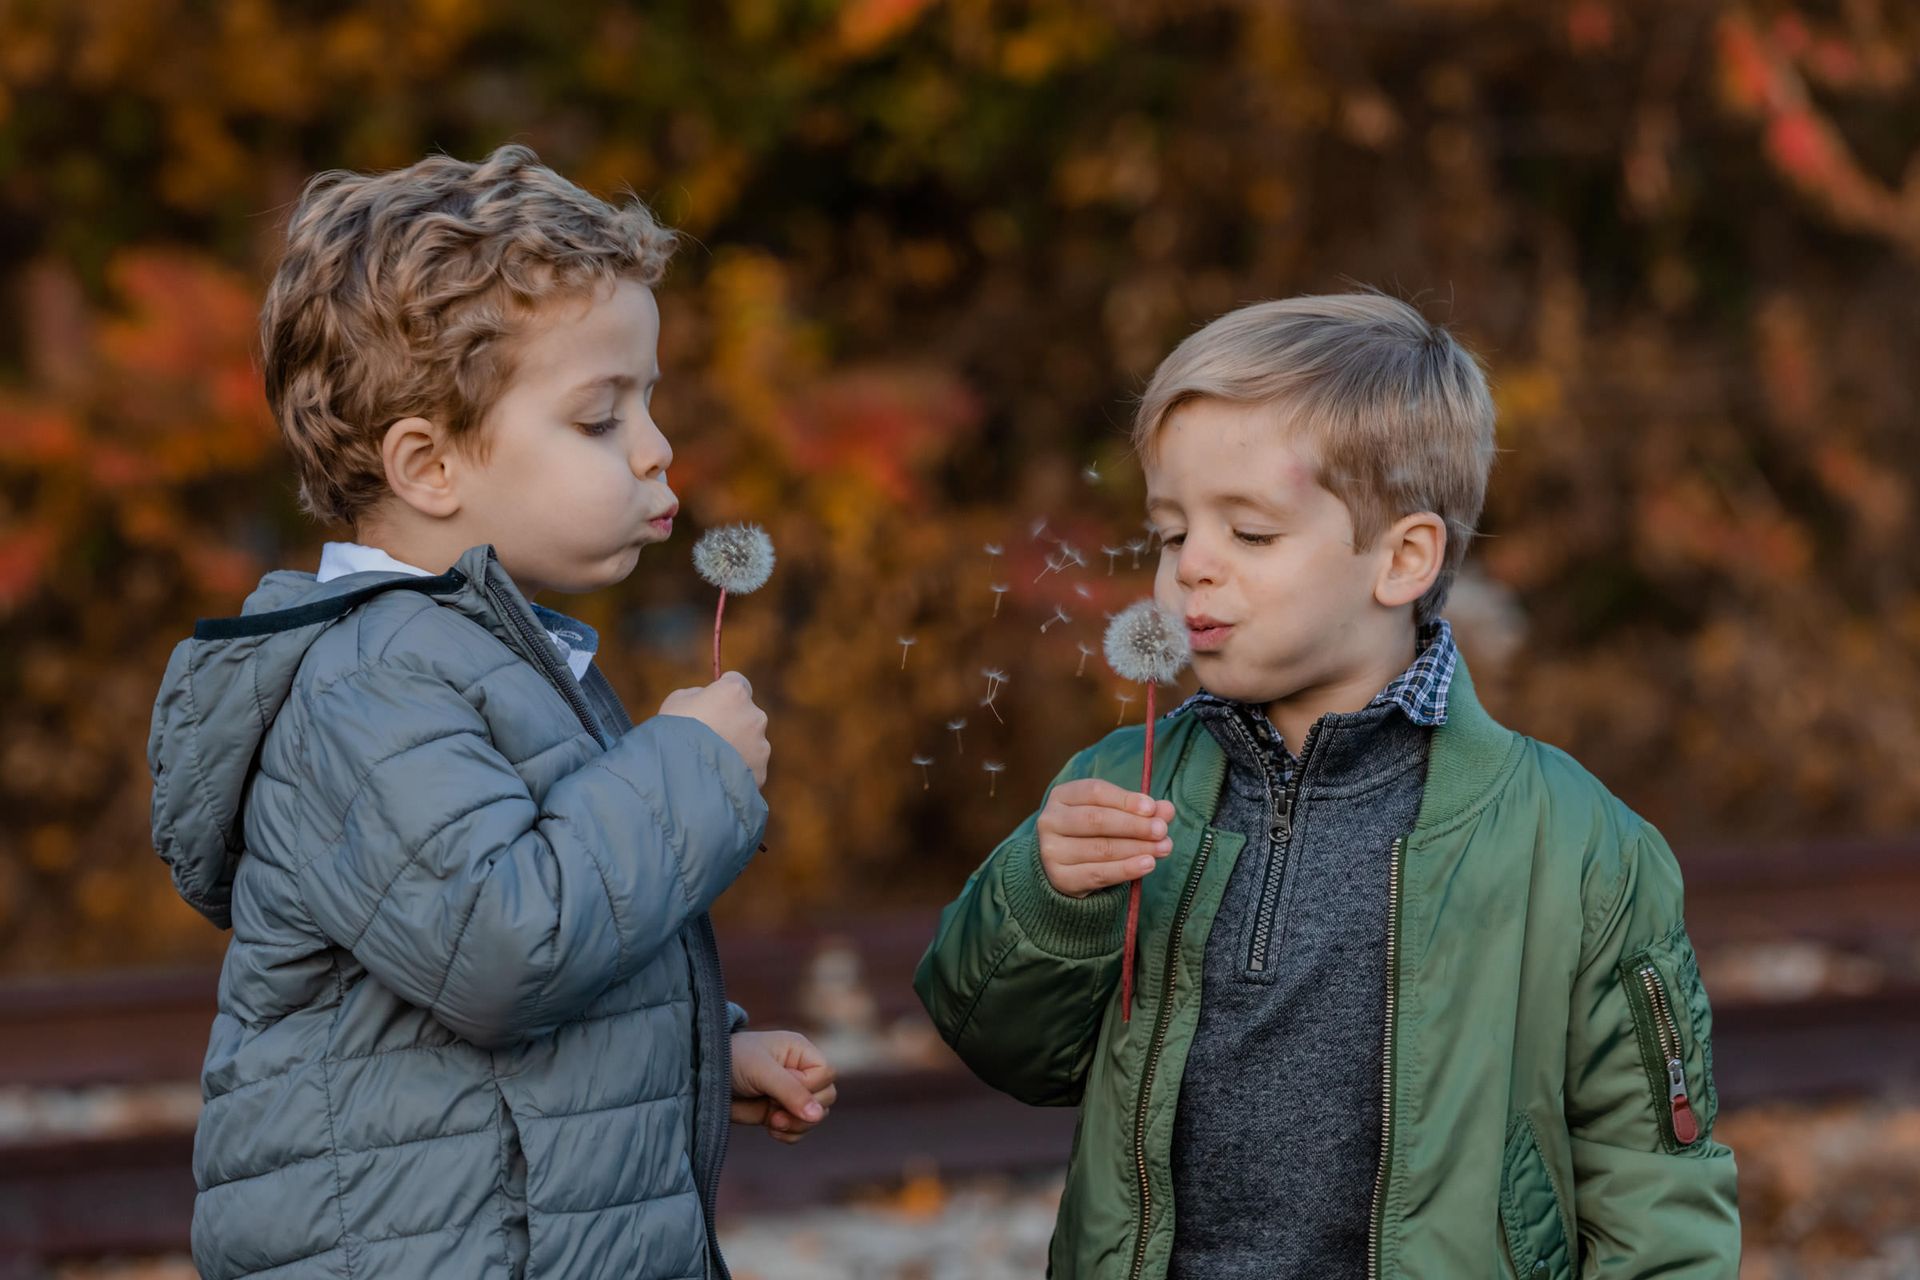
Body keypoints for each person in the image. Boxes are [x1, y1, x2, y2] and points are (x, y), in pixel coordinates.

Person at [915, 293, 1739, 1279]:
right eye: (1173, 534)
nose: (1192, 571)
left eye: (1250, 533)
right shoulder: (1119, 785)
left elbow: (1656, 1188)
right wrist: (1052, 902)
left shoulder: (1575, 843)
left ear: (1402, 558)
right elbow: (1006, 1048)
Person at [148, 144, 833, 1280]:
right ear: (427, 463)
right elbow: (504, 943)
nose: (658, 447)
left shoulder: (485, 659)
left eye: (648, 401)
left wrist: (701, 1047)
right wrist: (688, 768)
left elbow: (501, 989)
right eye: (600, 418)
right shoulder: (364, 680)